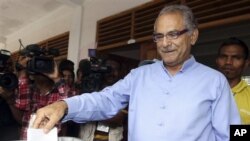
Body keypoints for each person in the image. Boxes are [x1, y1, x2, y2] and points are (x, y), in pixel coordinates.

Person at [33, 4, 241, 141]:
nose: (165, 43)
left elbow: (234, 133)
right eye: (159, 36)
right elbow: (105, 100)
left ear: (193, 35)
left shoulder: (215, 81)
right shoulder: (139, 76)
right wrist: (64, 105)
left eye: (173, 34)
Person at [79, 58, 127, 141]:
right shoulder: (90, 87)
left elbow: (117, 119)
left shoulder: (123, 92)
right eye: (109, 69)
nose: (112, 73)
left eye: (116, 70)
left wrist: (90, 107)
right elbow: (79, 114)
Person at [216, 37, 250, 124]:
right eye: (224, 57)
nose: (228, 62)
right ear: (217, 61)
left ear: (246, 63)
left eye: (236, 58)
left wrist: (231, 133)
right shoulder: (203, 90)